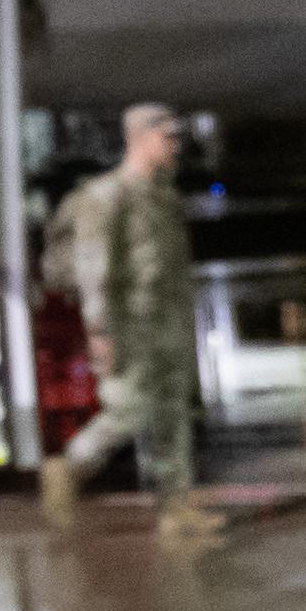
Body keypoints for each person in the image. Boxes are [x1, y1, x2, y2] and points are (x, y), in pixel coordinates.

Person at [44, 101, 212, 549]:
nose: (175, 146)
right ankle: (70, 466)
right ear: (139, 137)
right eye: (167, 137)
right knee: (128, 411)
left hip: (167, 321)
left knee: (173, 413)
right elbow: (94, 269)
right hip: (128, 324)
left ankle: (176, 510)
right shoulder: (107, 195)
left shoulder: (162, 195)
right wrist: (100, 332)